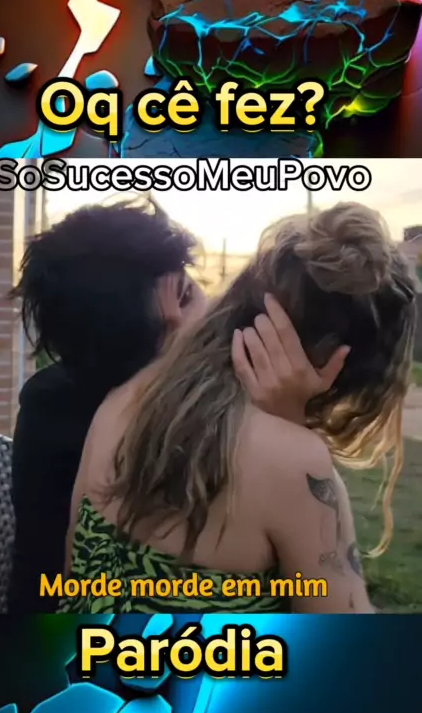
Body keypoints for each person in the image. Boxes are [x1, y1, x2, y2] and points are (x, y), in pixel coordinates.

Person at [61, 202, 416, 615]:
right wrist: (296, 437)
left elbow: (72, 576)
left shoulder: (127, 394)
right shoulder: (294, 462)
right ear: (346, 364)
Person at [9, 196, 346, 612]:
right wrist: (291, 429)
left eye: (189, 290)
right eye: (186, 297)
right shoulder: (170, 426)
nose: (200, 321)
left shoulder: (49, 397)